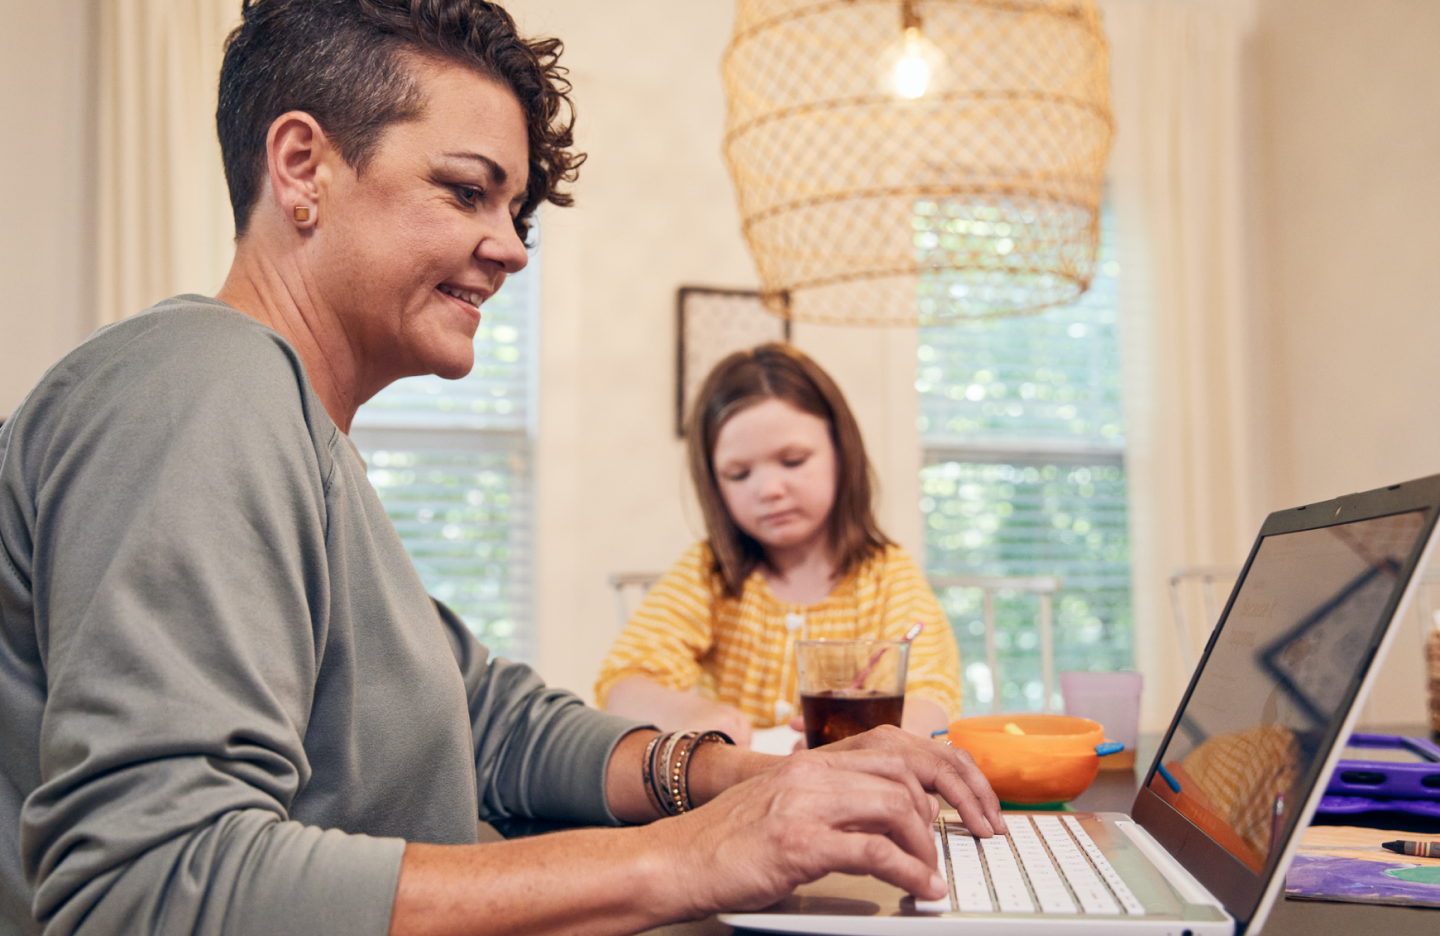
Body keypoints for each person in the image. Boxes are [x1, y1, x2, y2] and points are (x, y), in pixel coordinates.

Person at [0, 2, 1005, 935]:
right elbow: (147, 883)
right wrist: (688, 858)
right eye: (467, 191)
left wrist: (737, 780)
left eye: (513, 210)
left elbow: (492, 722)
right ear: (302, 166)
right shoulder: (201, 390)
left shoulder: (304, 439)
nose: (511, 249)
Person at [596, 345, 964, 748]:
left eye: (793, 461)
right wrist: (694, 715)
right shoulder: (708, 572)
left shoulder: (886, 577)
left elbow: (933, 703)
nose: (769, 490)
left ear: (842, 452)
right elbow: (622, 684)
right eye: (738, 474)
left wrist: (858, 739)